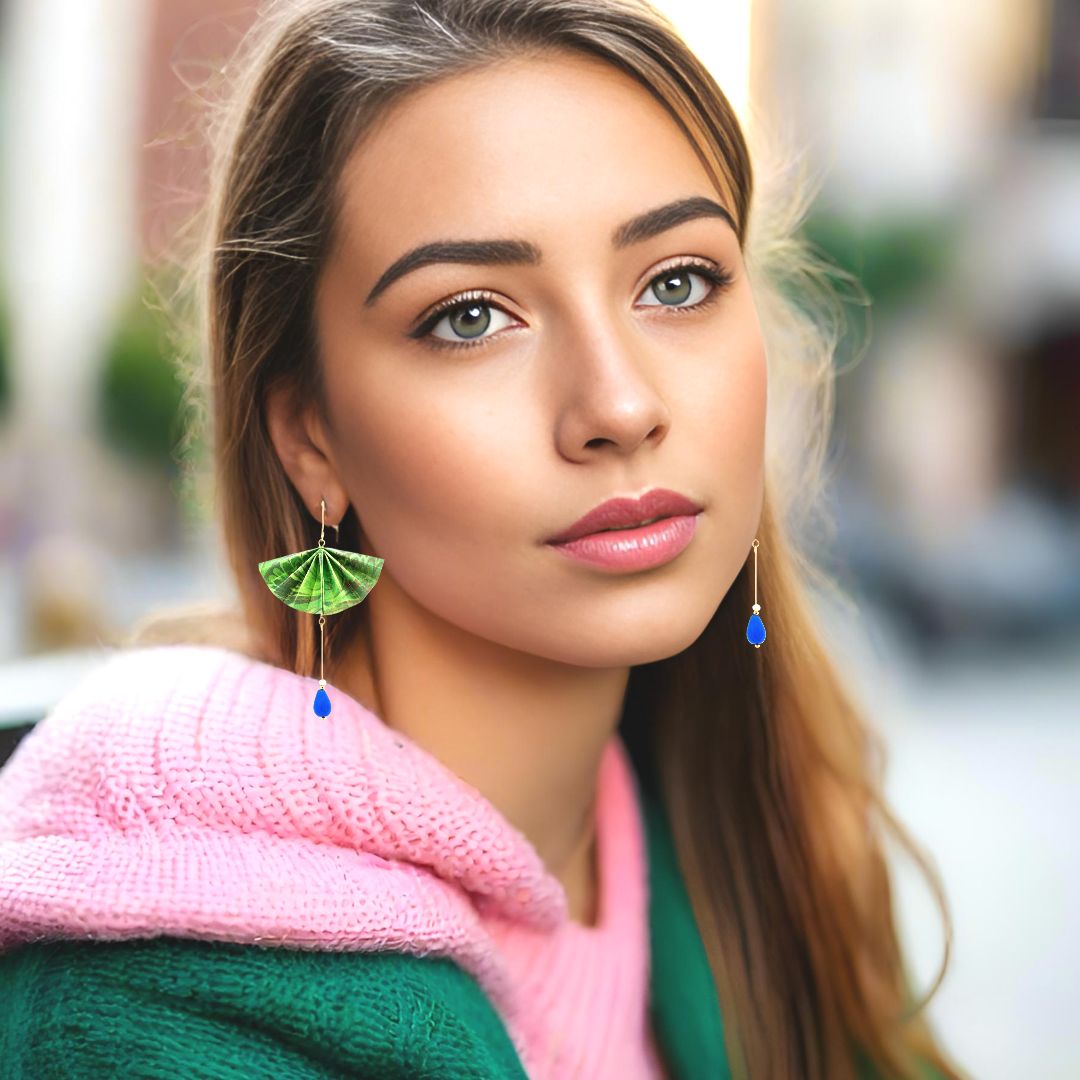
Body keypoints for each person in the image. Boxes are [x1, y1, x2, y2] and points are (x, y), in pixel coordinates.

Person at [0, 1, 968, 1078]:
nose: (618, 402)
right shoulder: (138, 1013)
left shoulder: (766, 845)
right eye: (470, 316)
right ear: (310, 438)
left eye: (677, 282)